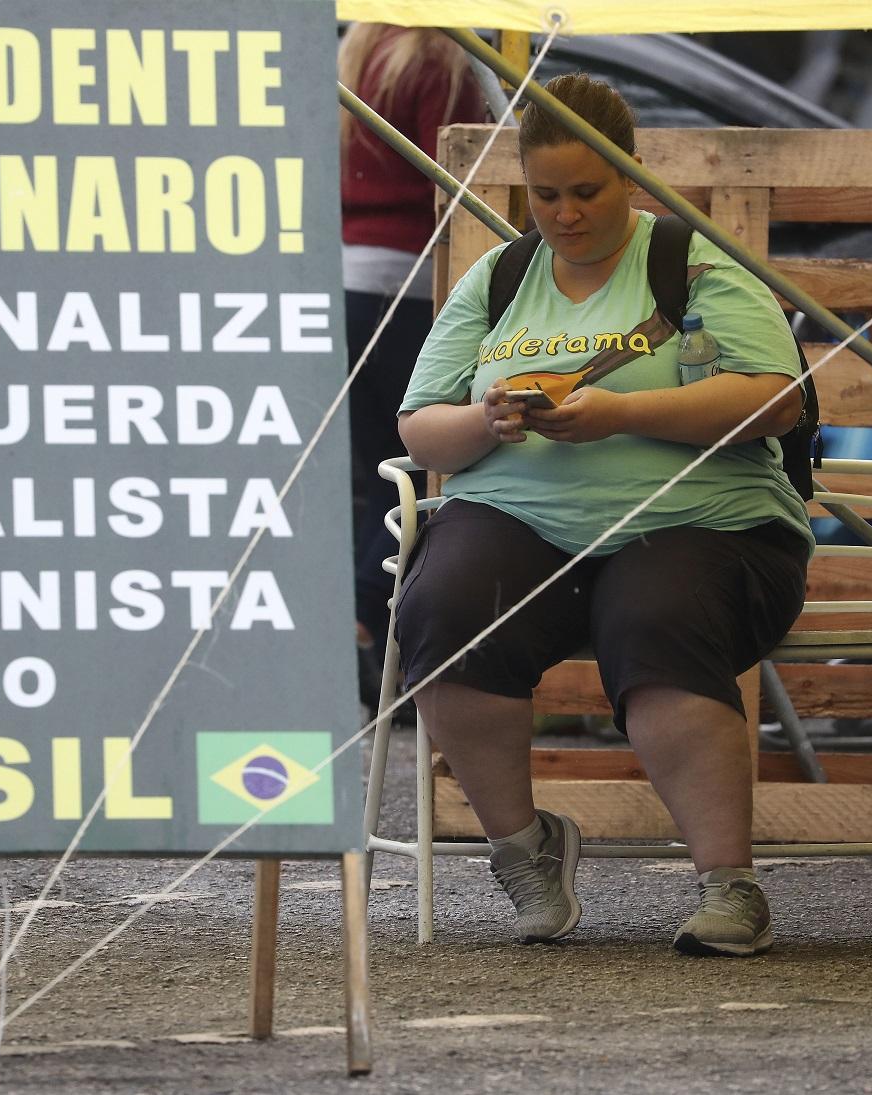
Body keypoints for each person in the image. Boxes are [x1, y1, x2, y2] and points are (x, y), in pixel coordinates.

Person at [394, 73, 813, 956]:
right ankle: (523, 849)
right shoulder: (503, 274)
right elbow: (419, 427)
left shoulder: (689, 260)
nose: (565, 213)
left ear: (629, 174)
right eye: (545, 194)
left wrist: (622, 413)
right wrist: (486, 420)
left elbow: (776, 400)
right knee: (442, 606)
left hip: (703, 521)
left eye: (587, 190)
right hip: (520, 517)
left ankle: (729, 884)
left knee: (656, 612)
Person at [338, 24, 486, 703]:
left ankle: (357, 620)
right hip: (408, 281)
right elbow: (459, 179)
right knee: (415, 463)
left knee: (372, 468)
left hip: (343, 277)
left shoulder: (357, 50)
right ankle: (365, 623)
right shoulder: (440, 57)